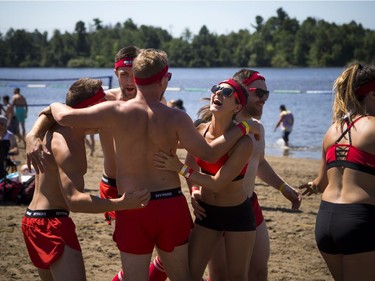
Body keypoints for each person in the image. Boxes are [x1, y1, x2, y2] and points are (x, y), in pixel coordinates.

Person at [46, 48, 261, 280]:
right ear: (163, 80)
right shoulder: (176, 117)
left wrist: (53, 104)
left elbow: (64, 117)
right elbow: (208, 153)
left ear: (135, 79)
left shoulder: (115, 110)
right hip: (169, 203)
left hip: (133, 204)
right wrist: (243, 127)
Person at [21, 78, 150, 281]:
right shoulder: (67, 145)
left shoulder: (64, 126)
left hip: (34, 220)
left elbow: (50, 110)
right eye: (103, 104)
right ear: (90, 109)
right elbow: (74, 200)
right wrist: (122, 203)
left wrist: (32, 134)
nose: (108, 109)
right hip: (51, 223)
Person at [187, 70, 302, 280]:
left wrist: (284, 188)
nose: (264, 99)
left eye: (266, 94)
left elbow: (258, 162)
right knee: (219, 274)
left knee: (258, 271)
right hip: (212, 208)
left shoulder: (256, 129)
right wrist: (194, 191)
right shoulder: (210, 125)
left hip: (247, 207)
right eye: (259, 93)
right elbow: (194, 160)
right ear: (242, 95)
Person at [155, 78, 257, 280]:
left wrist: (180, 168)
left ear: (237, 107)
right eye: (216, 89)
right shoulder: (199, 130)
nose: (218, 93)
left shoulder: (244, 143)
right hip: (207, 212)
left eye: (226, 92)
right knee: (191, 274)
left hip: (238, 214)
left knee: (237, 277)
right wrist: (193, 191)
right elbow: (192, 164)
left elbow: (218, 183)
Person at [299, 63, 375, 281]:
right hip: (360, 221)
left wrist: (312, 185)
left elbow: (321, 183)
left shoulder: (333, 130)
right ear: (372, 93)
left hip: (326, 222)